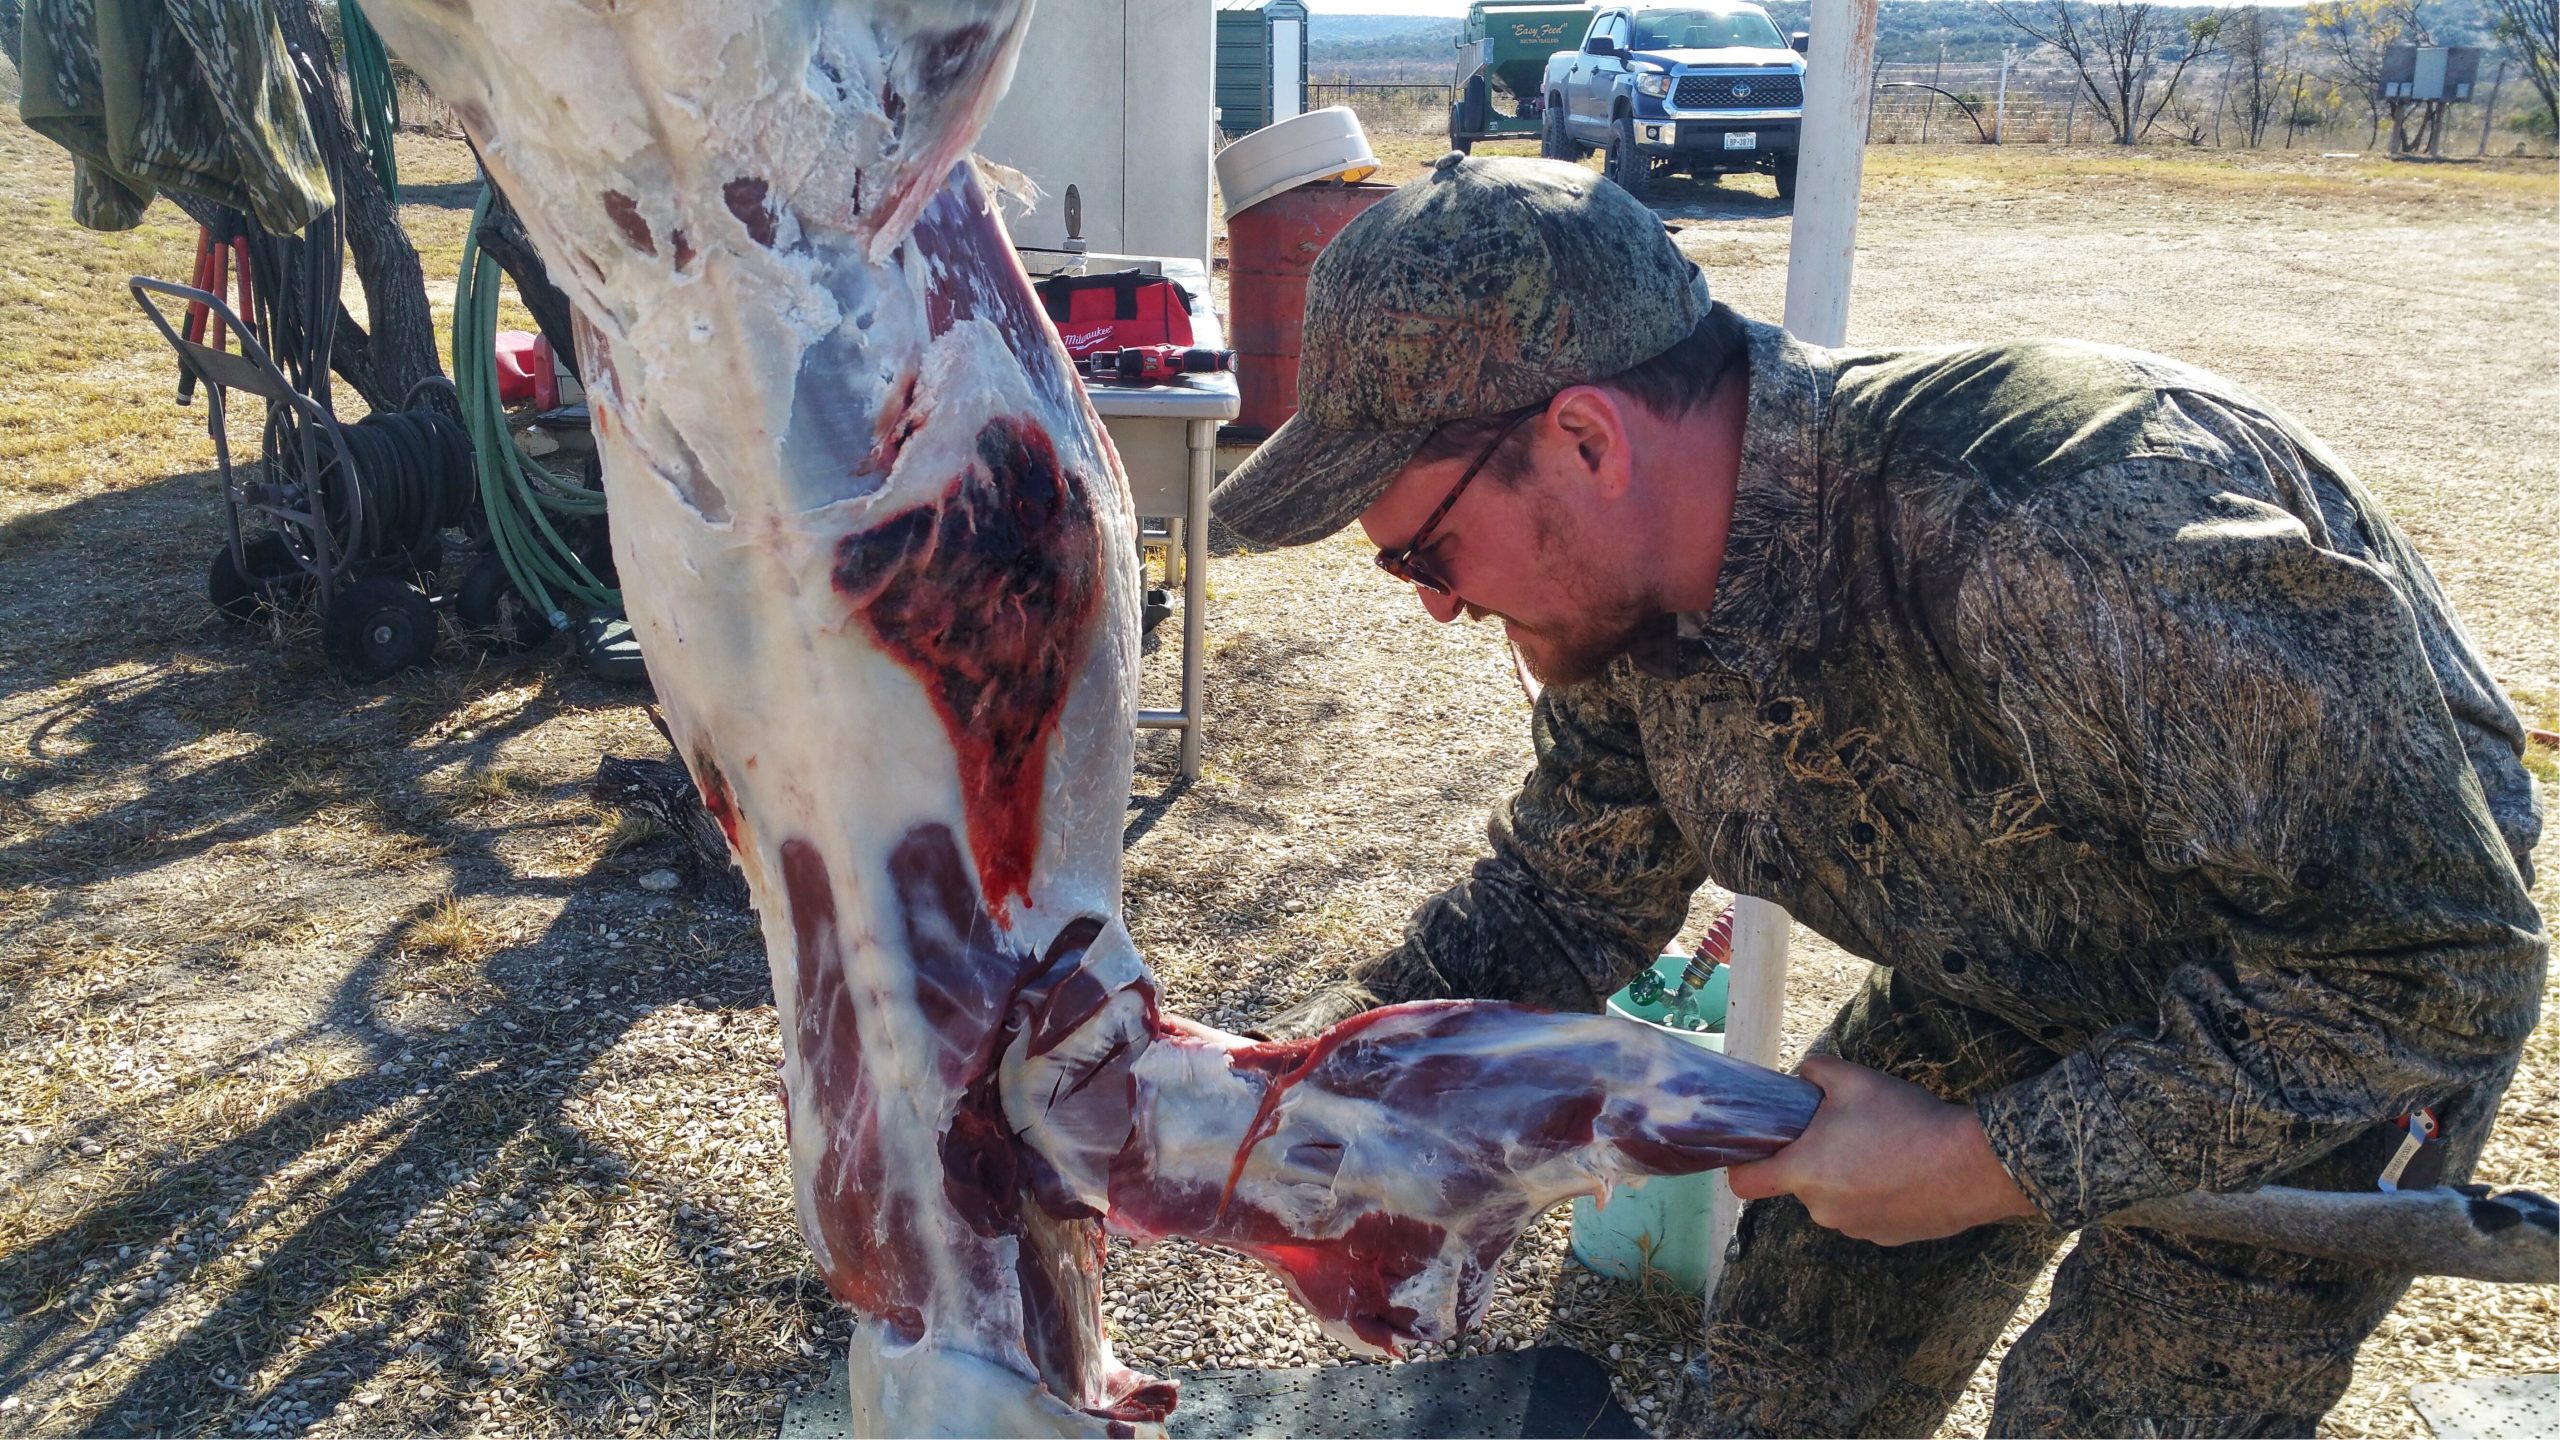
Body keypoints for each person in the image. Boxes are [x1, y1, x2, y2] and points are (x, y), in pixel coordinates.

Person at [1208, 152, 2546, 1437]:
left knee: (2118, 1414)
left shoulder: (2054, 527)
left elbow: (2431, 966)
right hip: (2018, 958)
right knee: (1791, 1369)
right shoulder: (1626, 620)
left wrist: (1987, 1161)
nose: (1438, 604)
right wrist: (1274, 1095)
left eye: (1423, 552)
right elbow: (1555, 904)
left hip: (2314, 1011)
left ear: (1584, 440)